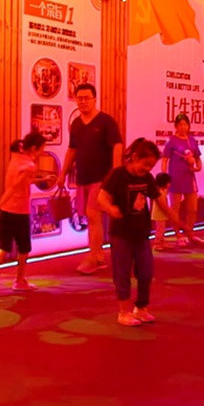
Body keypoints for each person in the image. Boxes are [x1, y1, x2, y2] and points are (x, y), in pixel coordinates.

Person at [98, 138, 184, 327]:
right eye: (145, 164)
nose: (147, 169)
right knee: (122, 273)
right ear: (135, 157)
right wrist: (110, 208)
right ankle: (124, 311)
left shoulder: (147, 178)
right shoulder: (118, 175)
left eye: (151, 166)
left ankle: (141, 308)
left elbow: (158, 198)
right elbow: (101, 197)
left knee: (146, 272)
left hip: (142, 233)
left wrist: (172, 214)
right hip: (121, 234)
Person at [0, 132, 55, 296]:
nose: (42, 152)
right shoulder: (29, 166)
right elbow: (15, 187)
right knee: (24, 248)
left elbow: (23, 181)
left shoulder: (16, 157)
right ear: (34, 148)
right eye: (42, 148)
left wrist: (42, 179)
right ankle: (20, 281)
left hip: (6, 212)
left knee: (3, 247)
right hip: (19, 211)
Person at [60, 83, 123, 275]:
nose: (83, 101)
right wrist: (62, 174)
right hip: (83, 178)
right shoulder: (76, 124)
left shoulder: (106, 121)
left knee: (93, 215)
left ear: (95, 99)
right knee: (90, 217)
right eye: (79, 98)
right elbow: (72, 150)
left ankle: (94, 257)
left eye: (87, 98)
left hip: (101, 178)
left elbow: (117, 145)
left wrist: (115, 173)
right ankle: (99, 256)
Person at [162, 113, 204, 246]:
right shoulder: (171, 141)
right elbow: (165, 160)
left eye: (185, 124)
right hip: (175, 177)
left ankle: (190, 233)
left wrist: (199, 166)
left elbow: (197, 157)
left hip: (189, 178)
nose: (183, 127)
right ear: (175, 126)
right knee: (175, 208)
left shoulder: (192, 140)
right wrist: (164, 177)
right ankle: (179, 236)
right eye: (180, 125)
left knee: (193, 208)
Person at [152, 172, 173, 251]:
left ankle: (162, 242)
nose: (170, 184)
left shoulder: (161, 191)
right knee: (160, 229)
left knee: (162, 229)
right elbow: (162, 205)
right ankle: (157, 243)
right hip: (159, 214)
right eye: (168, 182)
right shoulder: (159, 192)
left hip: (161, 214)